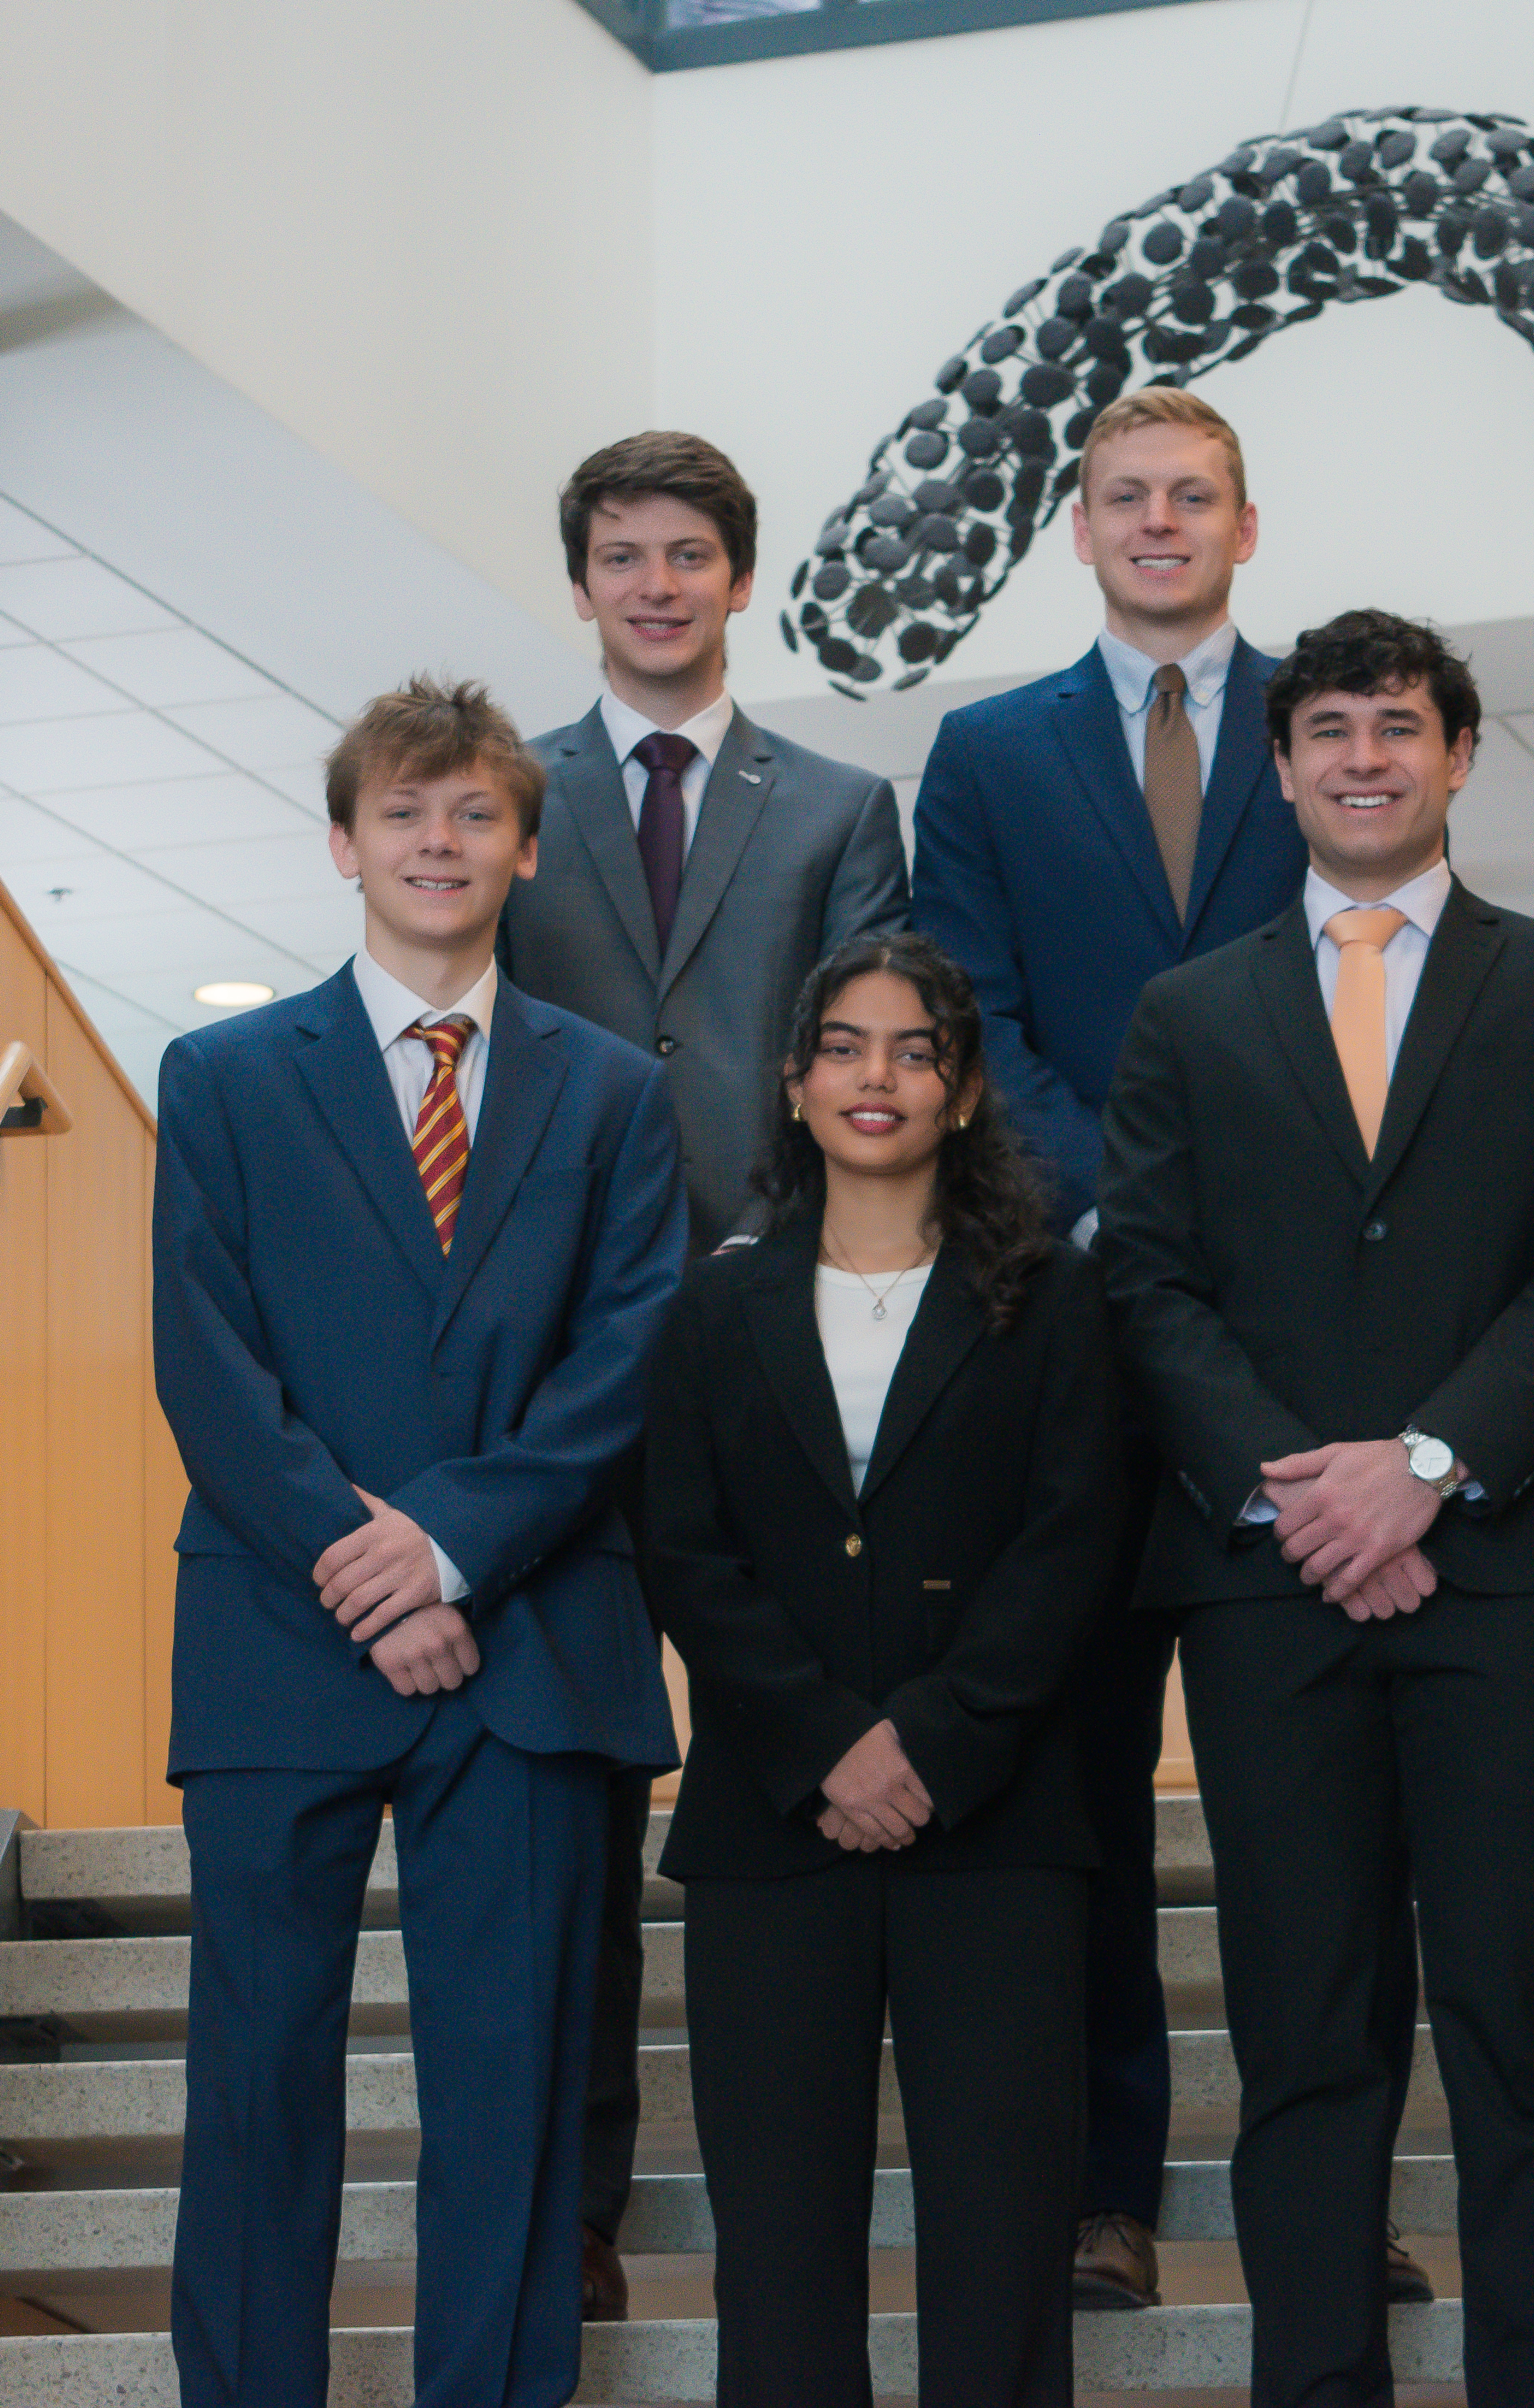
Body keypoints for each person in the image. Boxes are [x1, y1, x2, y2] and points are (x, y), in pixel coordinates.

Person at [1098, 610, 1534, 2408]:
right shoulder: (1185, 1015)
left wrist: (1419, 1468)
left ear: (1454, 756)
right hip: (1270, 1592)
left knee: (1517, 2033)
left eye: (1398, 726)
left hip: (1509, 1571)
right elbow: (1152, 1289)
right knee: (1306, 2045)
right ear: (1278, 768)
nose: (1363, 754)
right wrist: (1307, 1497)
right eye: (1329, 727)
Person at [914, 389, 1434, 2315]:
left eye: (1190, 497)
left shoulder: (1336, 721)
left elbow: (1378, 965)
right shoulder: (980, 756)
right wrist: (1126, 1212)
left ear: (1245, 522)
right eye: (1124, 498)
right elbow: (972, 1015)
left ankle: (1335, 2184)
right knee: (1079, 1787)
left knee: (1321, 1803)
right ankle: (1101, 2192)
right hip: (1069, 1327)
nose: (1157, 522)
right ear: (1077, 531)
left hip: (1308, 1345)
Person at [153, 677, 685, 2408]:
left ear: (525, 849)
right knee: (255, 2083)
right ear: (342, 844)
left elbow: (627, 1357)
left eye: (472, 815)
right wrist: (364, 1567)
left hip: (524, 1650)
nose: (436, 842)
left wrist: (448, 1553)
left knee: (509, 2089)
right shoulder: (224, 1074)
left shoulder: (610, 1092)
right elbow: (205, 1357)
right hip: (278, 1638)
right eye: (402, 812)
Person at [498, 430, 909, 2316]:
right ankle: (575, 2203)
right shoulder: (504, 799)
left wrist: (763, 1262)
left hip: (771, 1332)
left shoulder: (835, 806)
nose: (655, 584)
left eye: (689, 555)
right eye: (620, 555)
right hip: (558, 1348)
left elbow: (852, 1062)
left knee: (788, 1726)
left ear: (740, 580)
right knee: (577, 1780)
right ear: (580, 582)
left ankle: (806, 2186)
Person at [645, 932, 1123, 2408]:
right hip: (772, 1834)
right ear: (793, 1085)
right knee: (780, 2256)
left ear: (964, 1091)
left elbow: (1076, 1541)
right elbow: (683, 1547)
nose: (878, 1075)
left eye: (916, 1049)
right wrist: (825, 1747)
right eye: (844, 1046)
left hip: (998, 1826)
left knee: (1000, 2243)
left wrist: (931, 1740)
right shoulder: (714, 1309)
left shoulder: (1052, 1301)